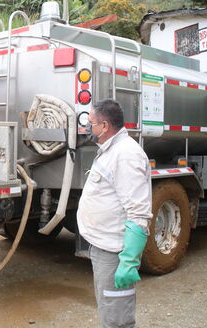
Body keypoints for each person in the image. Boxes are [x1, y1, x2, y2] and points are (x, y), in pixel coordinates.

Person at [77, 99, 152, 328]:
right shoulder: (111, 150)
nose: (87, 128)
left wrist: (128, 261)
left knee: (117, 318)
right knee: (109, 310)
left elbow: (139, 212)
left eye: (91, 123)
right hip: (103, 246)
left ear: (105, 125)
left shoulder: (126, 155)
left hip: (114, 252)